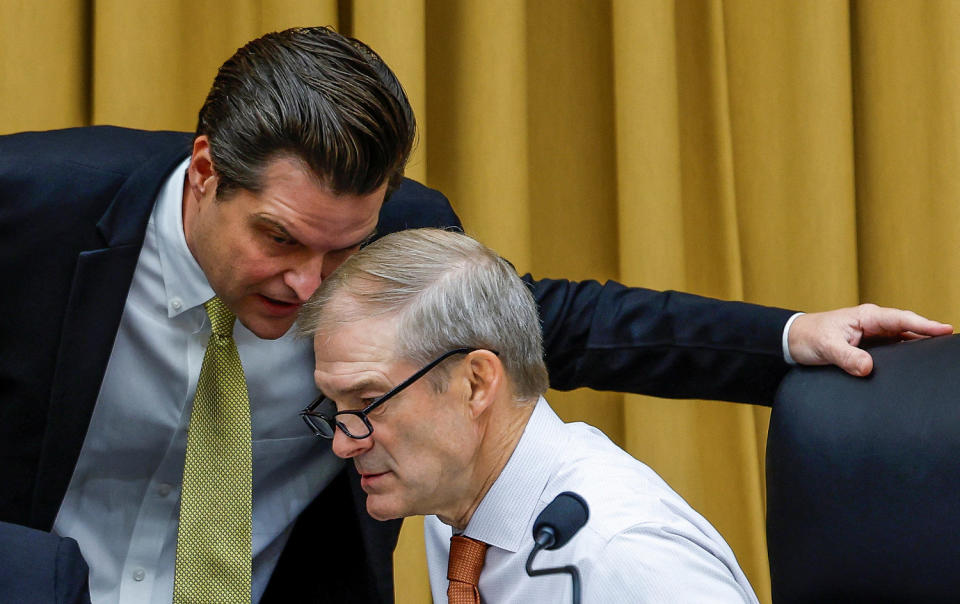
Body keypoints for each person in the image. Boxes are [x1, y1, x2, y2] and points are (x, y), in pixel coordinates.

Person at [0, 25, 949, 604]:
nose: (310, 282)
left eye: (346, 247)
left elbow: (561, 325)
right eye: (282, 240)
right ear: (206, 171)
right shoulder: (28, 209)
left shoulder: (393, 244)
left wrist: (789, 338)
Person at [299, 228, 762, 602]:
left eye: (367, 402)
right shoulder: (455, 512)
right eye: (335, 406)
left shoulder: (623, 556)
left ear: (476, 384)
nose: (343, 443)